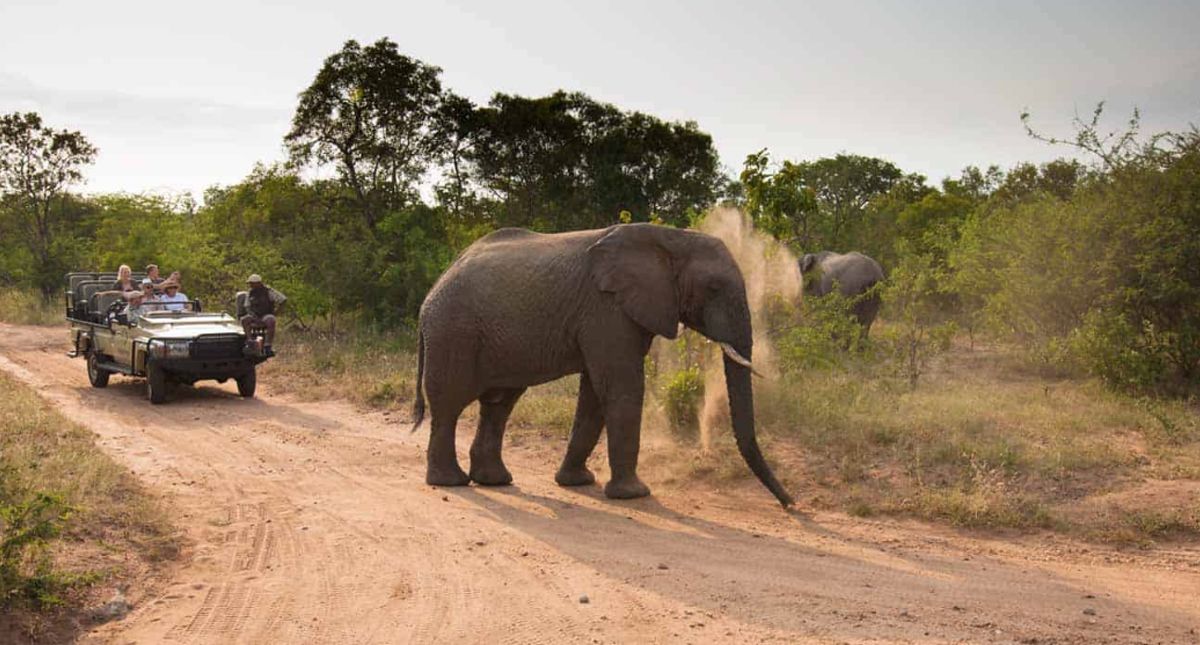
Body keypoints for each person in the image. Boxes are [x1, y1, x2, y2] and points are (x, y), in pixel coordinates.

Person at [241, 274, 286, 350]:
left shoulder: (268, 291)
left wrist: (277, 312)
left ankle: (268, 344)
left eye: (252, 283)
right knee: (244, 319)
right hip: (255, 315)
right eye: (250, 283)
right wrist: (251, 314)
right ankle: (250, 341)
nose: (250, 285)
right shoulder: (250, 293)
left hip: (266, 315)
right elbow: (247, 306)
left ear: (258, 283)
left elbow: (283, 299)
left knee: (271, 320)